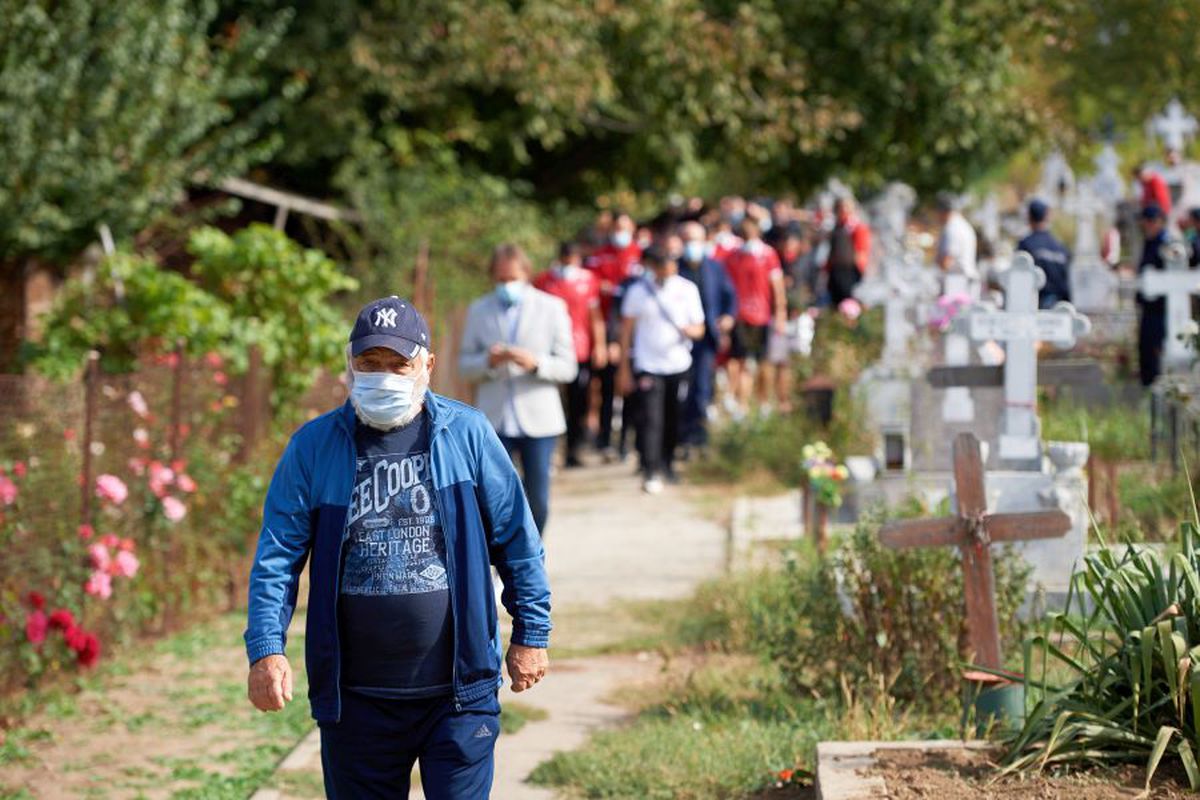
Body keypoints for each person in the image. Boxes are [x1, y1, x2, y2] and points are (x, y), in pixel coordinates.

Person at [244, 296, 551, 799]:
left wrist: (531, 631)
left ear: (427, 366)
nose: (383, 375)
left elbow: (517, 539)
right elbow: (277, 559)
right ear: (350, 365)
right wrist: (265, 650)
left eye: (398, 364)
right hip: (355, 700)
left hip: (459, 693)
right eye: (369, 364)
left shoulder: (468, 434)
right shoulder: (314, 447)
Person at [459, 244, 577, 533]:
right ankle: (499, 561)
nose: (506, 285)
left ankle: (531, 558)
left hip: (539, 418)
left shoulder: (552, 307)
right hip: (494, 418)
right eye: (499, 279)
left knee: (538, 498)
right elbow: (463, 366)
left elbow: (568, 367)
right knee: (493, 497)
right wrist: (488, 360)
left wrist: (536, 363)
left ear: (526, 274)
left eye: (511, 278)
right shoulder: (478, 310)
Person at [616, 246, 706, 493]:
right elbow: (626, 331)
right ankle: (650, 468)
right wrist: (624, 367)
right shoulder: (638, 292)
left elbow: (700, 327)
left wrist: (690, 331)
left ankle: (668, 463)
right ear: (653, 267)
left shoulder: (687, 290)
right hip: (648, 365)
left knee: (673, 416)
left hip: (678, 364)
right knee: (650, 418)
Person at [533, 242, 606, 467]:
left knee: (578, 401)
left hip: (579, 349)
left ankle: (573, 449)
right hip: (548, 349)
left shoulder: (588, 280)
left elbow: (595, 316)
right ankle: (548, 450)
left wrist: (600, 345)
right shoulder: (544, 280)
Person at [586, 212, 642, 459]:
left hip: (637, 332)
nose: (620, 231)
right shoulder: (600, 256)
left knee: (632, 390)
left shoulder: (640, 255)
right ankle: (605, 440)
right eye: (617, 227)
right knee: (607, 387)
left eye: (625, 227)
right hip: (607, 326)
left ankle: (626, 443)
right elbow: (593, 288)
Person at [677, 222, 737, 446]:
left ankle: (699, 435)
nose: (691, 245)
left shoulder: (715, 267)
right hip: (680, 340)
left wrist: (728, 317)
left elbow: (729, 296)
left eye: (695, 240)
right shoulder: (674, 268)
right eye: (687, 240)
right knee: (682, 389)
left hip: (706, 338)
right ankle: (680, 434)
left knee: (702, 387)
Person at [723, 217, 787, 414]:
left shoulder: (768, 255)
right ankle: (742, 404)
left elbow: (777, 286)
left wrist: (780, 313)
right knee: (742, 361)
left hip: (762, 315)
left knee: (763, 363)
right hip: (740, 316)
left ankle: (763, 401)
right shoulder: (734, 257)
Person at [1136, 205, 1171, 387]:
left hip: (1161, 310)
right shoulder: (1150, 242)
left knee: (1156, 352)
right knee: (1146, 353)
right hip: (1149, 309)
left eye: (1150, 221)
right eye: (1145, 221)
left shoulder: (1165, 244)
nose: (1147, 225)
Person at [1017, 199, 1072, 308]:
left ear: (1029, 217)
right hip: (1059, 305)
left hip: (1035, 304)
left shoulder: (1026, 244)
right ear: (1047, 217)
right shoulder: (1060, 247)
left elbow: (1019, 278)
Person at [824, 196, 871, 306]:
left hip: (850, 272)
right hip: (836, 271)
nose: (843, 210)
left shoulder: (856, 227)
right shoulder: (837, 227)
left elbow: (862, 252)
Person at [935, 192, 980, 296]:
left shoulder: (952, 228)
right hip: (964, 282)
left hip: (957, 284)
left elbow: (947, 261)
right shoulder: (962, 225)